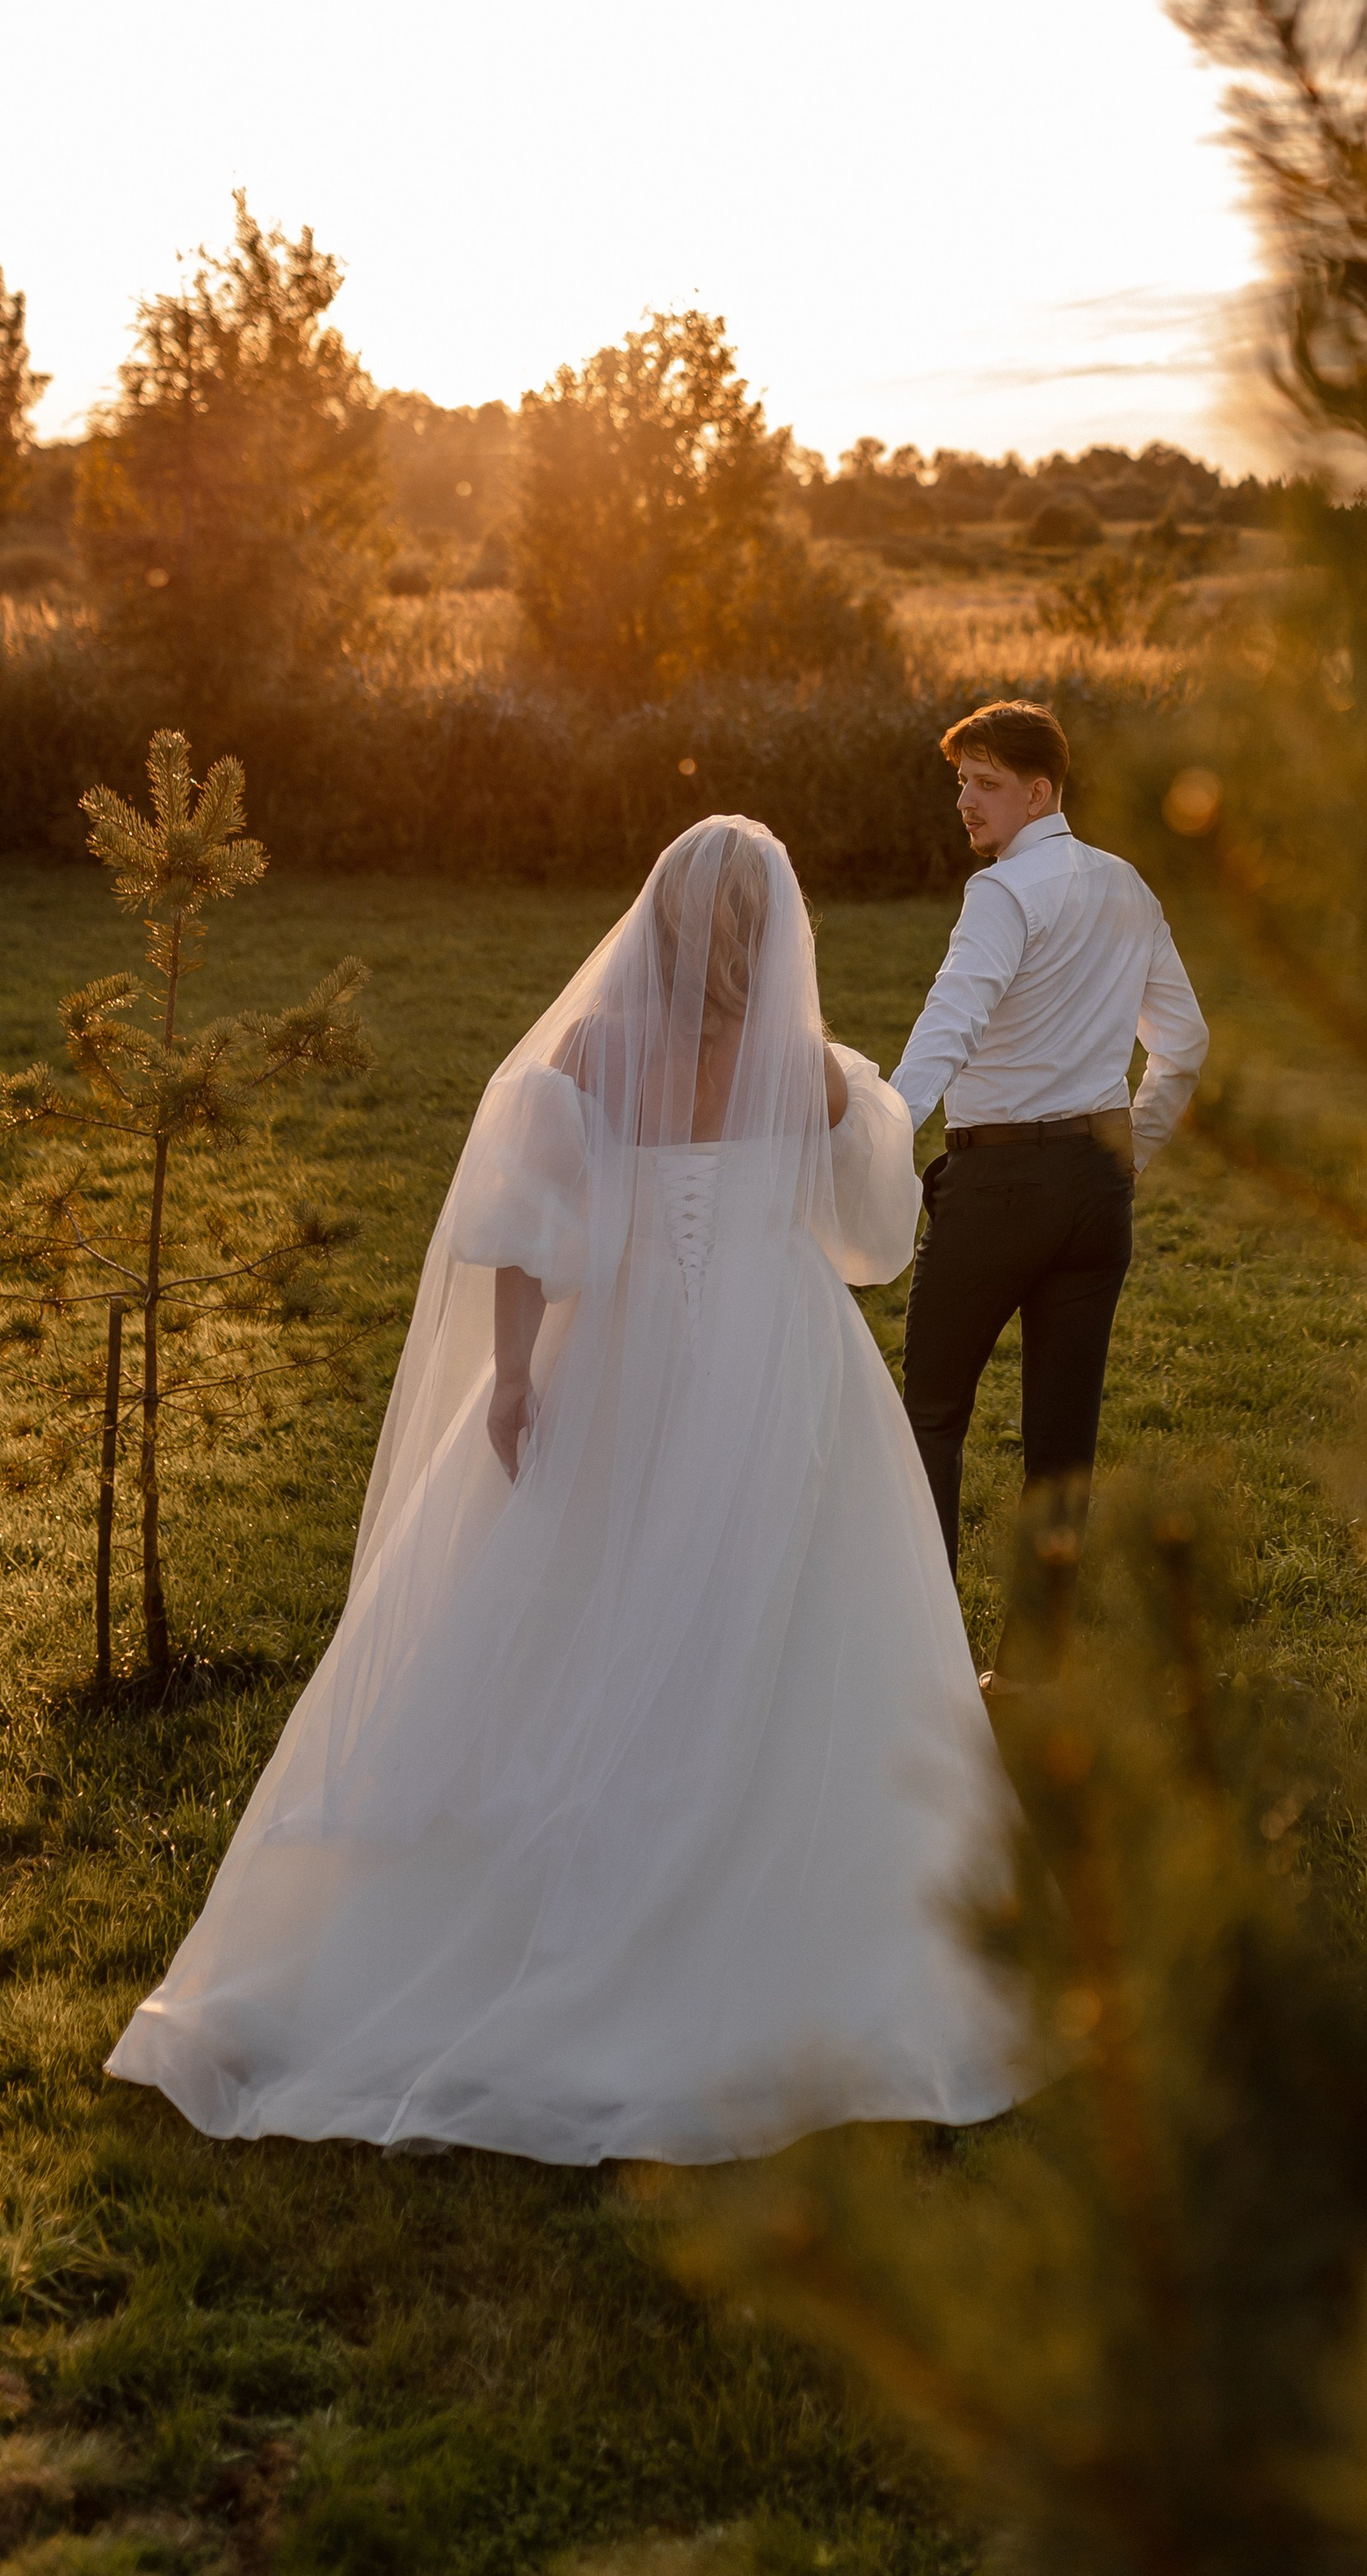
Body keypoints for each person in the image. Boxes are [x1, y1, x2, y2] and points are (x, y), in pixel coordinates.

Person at [109, 820, 1032, 2166]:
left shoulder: (593, 1055)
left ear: (656, 922)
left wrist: (512, 1376)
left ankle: (529, 1902)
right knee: (782, 1624)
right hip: (786, 1368)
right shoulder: (815, 1077)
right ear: (777, 938)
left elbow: (526, 1227)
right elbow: (869, 1237)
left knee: (578, 1608)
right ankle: (764, 1912)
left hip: (627, 1358)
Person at [890, 701, 1209, 1676]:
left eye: (984, 783)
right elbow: (1185, 1046)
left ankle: (934, 1665)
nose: (964, 801)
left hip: (1000, 1186)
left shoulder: (1003, 893)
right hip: (1094, 1193)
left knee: (931, 1416)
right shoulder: (1127, 885)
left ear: (1039, 790)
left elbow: (950, 1022)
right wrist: (1128, 1153)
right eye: (959, 782)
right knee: (1060, 1444)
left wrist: (879, 1133)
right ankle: (1037, 1668)